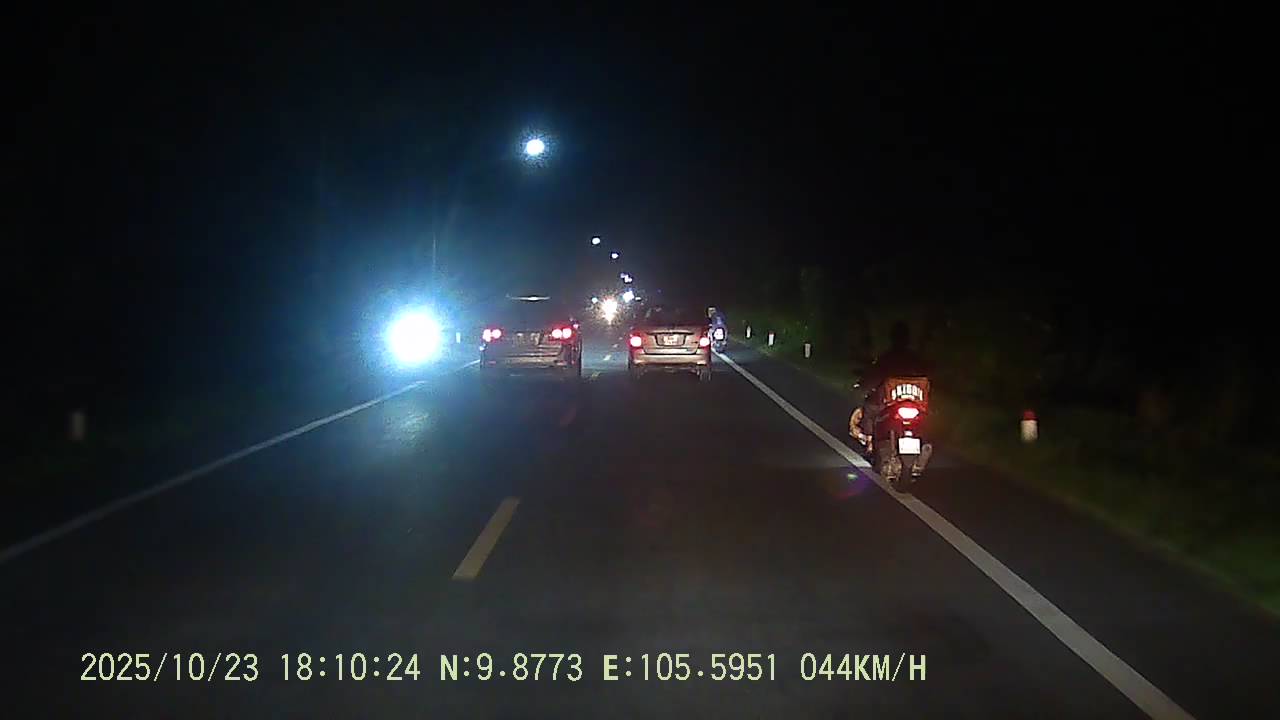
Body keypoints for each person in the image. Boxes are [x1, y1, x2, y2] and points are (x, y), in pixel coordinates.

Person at [849, 321, 931, 449]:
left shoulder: (886, 358)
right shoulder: (914, 358)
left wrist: (864, 385)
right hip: (915, 402)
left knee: (870, 406)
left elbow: (873, 376)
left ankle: (870, 440)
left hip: (890, 403)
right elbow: (927, 374)